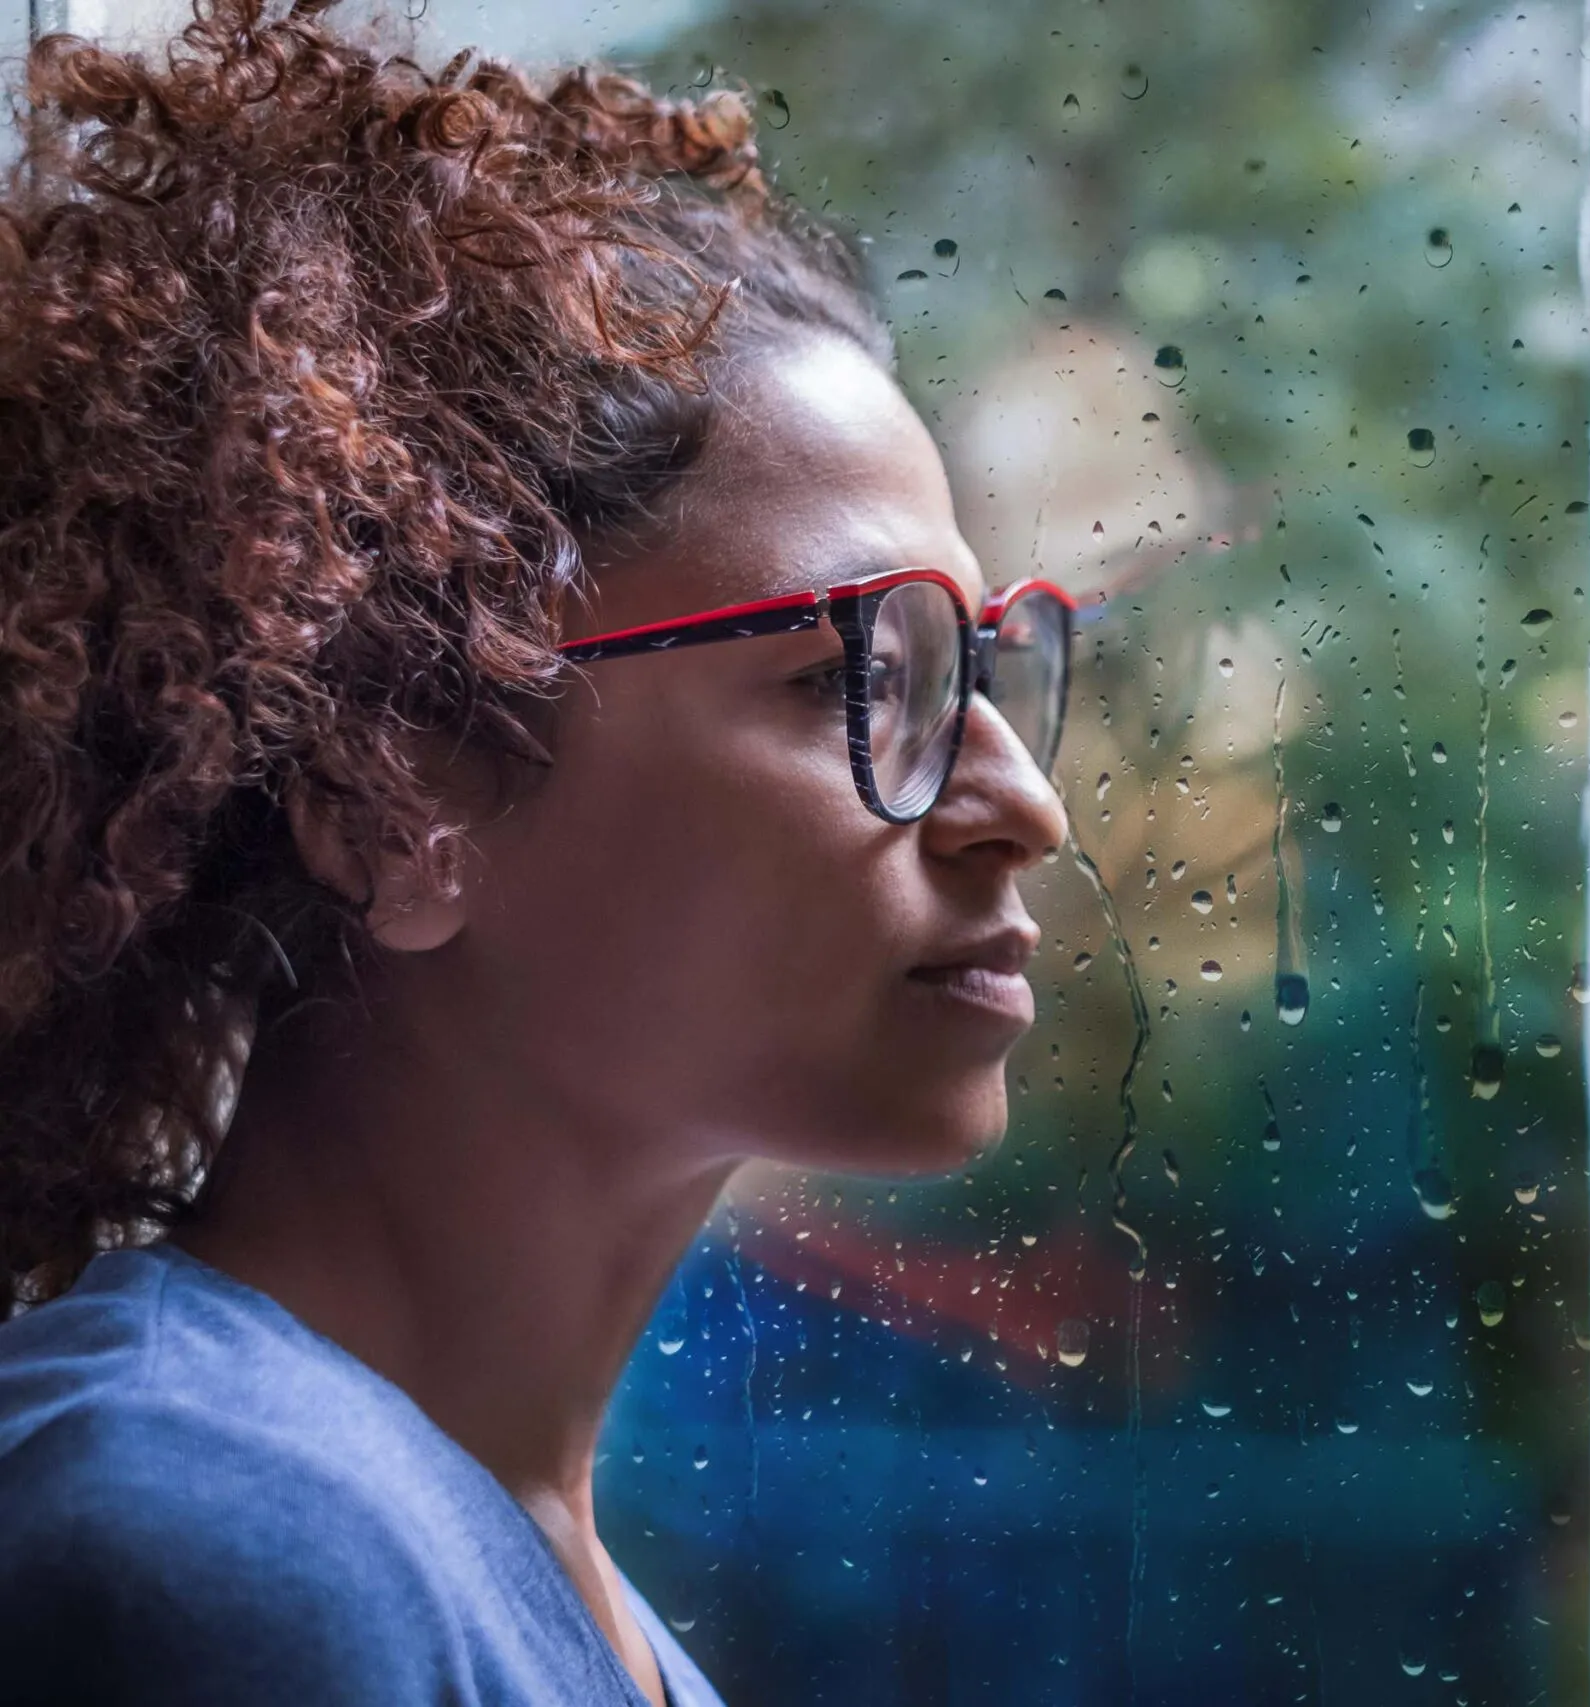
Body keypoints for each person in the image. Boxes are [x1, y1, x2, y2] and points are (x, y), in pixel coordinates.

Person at [0, 0, 1074, 1698]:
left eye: (981, 669)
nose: (1025, 804)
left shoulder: (527, 1579)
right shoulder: (214, 1538)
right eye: (856, 678)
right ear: (388, 799)